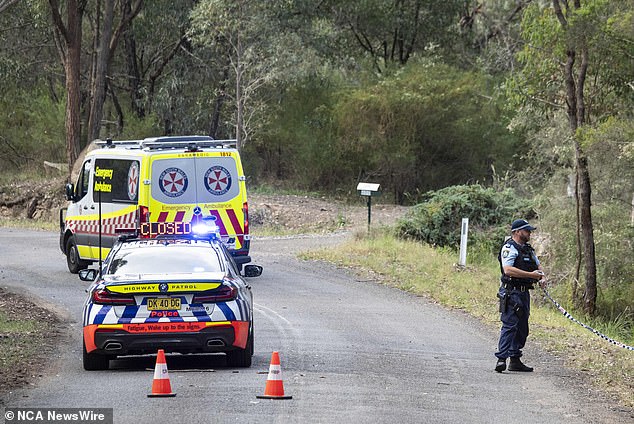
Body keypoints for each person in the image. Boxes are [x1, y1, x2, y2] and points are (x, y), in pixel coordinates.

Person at [495, 219, 545, 372]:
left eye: (529, 230)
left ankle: (515, 360)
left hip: (524, 293)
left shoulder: (528, 249)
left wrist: (542, 276)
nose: (529, 233)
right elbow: (508, 269)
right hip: (511, 292)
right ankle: (501, 360)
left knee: (522, 328)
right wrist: (531, 274)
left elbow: (538, 265)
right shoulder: (509, 248)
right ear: (517, 232)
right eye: (526, 230)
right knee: (510, 326)